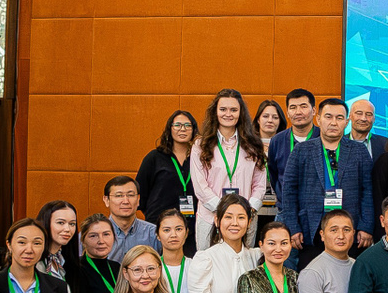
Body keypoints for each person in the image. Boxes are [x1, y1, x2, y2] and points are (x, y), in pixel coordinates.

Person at [280, 98, 374, 266]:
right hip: (311, 229)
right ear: (318, 119)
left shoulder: (359, 150)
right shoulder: (302, 150)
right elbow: (288, 192)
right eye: (328, 117)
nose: (333, 122)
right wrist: (293, 228)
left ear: (346, 122)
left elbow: (368, 190)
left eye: (339, 118)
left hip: (349, 229)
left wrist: (366, 226)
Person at [192, 90, 270, 251]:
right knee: (209, 262)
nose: (228, 114)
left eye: (233, 110)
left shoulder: (253, 144)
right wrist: (223, 210)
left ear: (241, 113)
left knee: (242, 262)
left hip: (245, 218)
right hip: (210, 217)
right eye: (223, 109)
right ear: (215, 112)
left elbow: (260, 184)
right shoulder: (201, 145)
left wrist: (247, 210)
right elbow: (200, 185)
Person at [136, 111, 199, 254]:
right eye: (177, 125)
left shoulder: (200, 158)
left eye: (187, 125)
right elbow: (140, 193)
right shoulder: (154, 158)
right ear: (169, 128)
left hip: (192, 229)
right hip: (159, 227)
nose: (182, 129)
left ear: (194, 130)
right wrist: (155, 215)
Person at [266, 88, 317, 192]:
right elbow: (274, 176)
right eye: (293, 108)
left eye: (303, 106)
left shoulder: (323, 138)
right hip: (286, 201)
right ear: (287, 113)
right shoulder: (277, 141)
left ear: (314, 111)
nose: (298, 112)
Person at [102, 175, 159, 261]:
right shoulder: (93, 234)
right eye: (119, 196)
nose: (125, 201)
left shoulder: (154, 233)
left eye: (131, 195)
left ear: (138, 199)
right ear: (106, 200)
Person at [37, 200, 79, 283]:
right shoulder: (34, 260)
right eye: (60, 223)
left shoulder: (65, 260)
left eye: (72, 224)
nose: (67, 229)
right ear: (46, 223)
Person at [349, 97, 388, 161]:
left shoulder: (386, 144)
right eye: (359, 113)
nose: (363, 118)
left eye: (369, 115)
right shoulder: (339, 143)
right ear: (350, 116)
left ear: (374, 119)